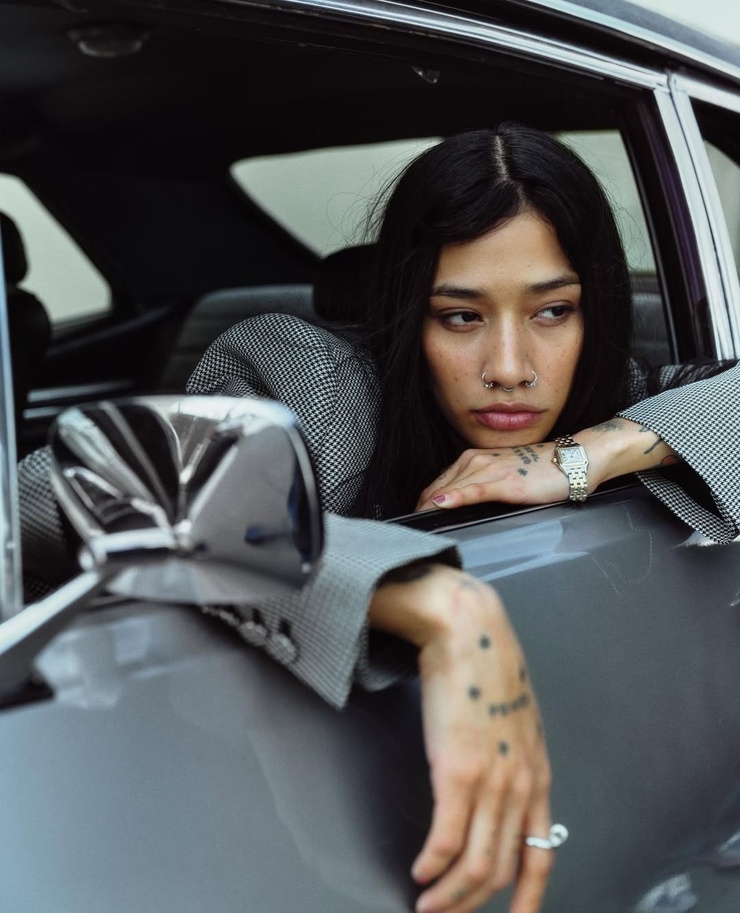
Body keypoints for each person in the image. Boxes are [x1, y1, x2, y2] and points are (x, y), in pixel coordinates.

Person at [18, 123, 740, 913]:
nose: (508, 367)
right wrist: (432, 597)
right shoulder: (320, 389)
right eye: (460, 316)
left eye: (553, 310)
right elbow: (48, 491)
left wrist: (586, 453)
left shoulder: (633, 398)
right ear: (407, 312)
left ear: (594, 312)